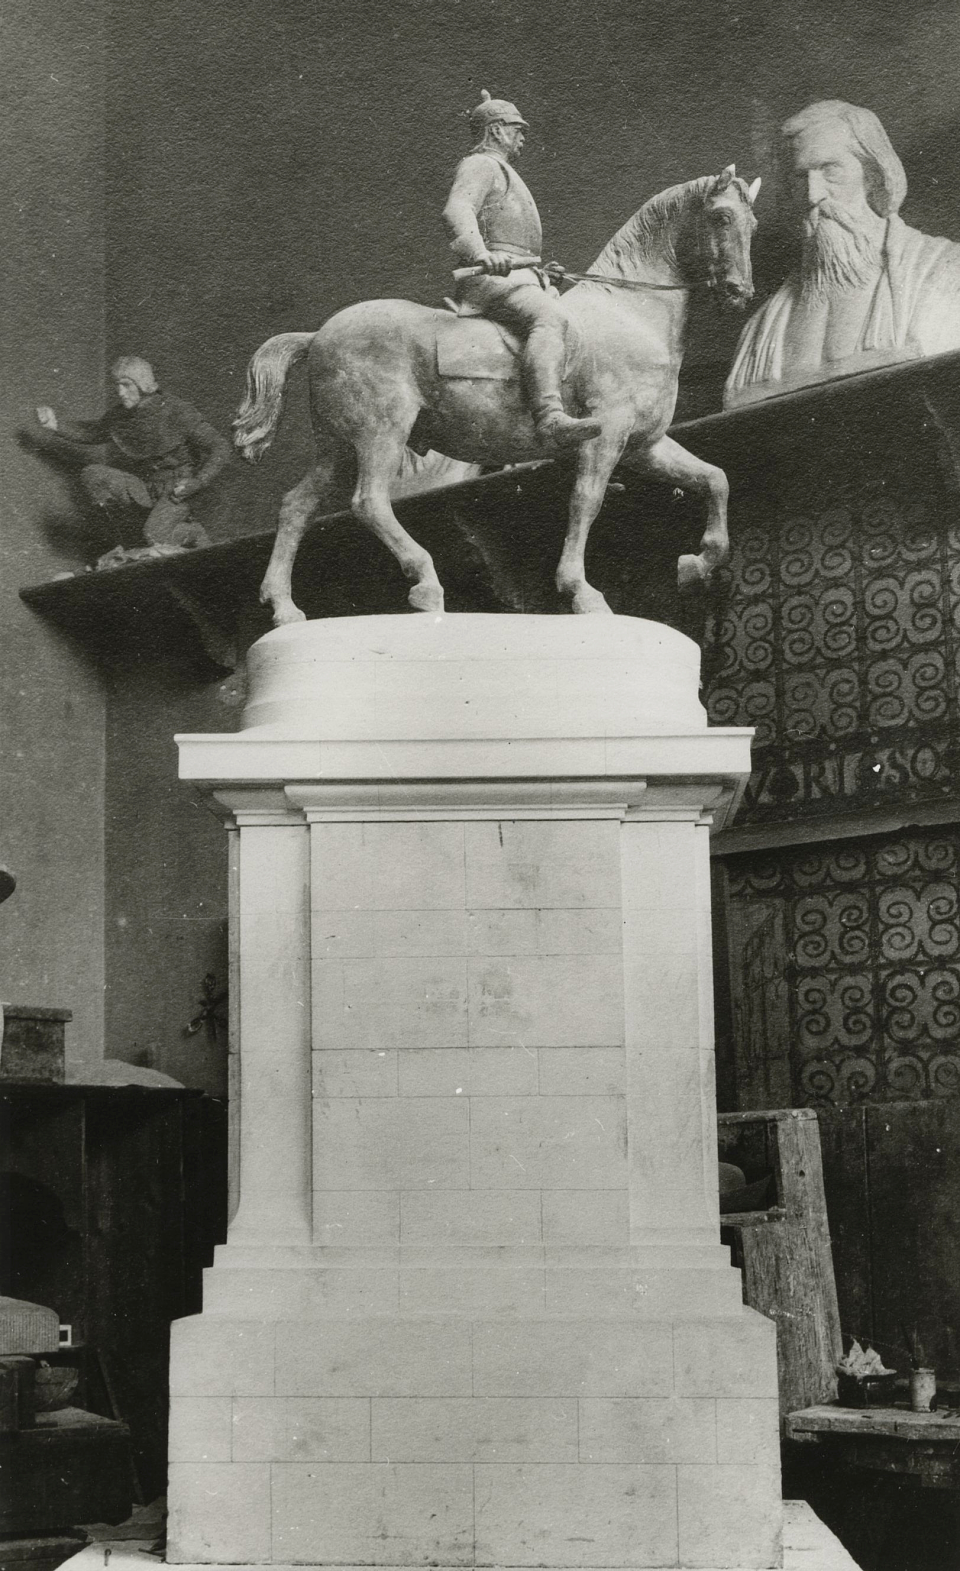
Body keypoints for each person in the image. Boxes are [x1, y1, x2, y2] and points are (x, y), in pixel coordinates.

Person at [724, 100, 960, 409]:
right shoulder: (761, 330)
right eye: (800, 177)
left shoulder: (944, 271)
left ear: (873, 174)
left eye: (830, 170)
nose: (812, 195)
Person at [443, 89, 601, 449]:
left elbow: (511, 241)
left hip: (518, 275)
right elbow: (457, 210)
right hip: (489, 277)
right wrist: (481, 253)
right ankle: (549, 417)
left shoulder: (502, 171)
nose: (523, 137)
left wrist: (542, 272)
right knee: (551, 319)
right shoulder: (480, 164)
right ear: (496, 130)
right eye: (517, 129)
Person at [35, 356, 230, 566]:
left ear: (143, 384)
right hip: (146, 488)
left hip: (179, 491)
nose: (120, 392)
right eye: (117, 385)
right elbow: (94, 432)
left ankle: (193, 533)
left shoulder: (177, 410)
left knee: (154, 536)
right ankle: (123, 544)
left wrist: (198, 482)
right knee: (93, 474)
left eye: (126, 385)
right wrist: (55, 425)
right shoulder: (121, 417)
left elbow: (220, 447)